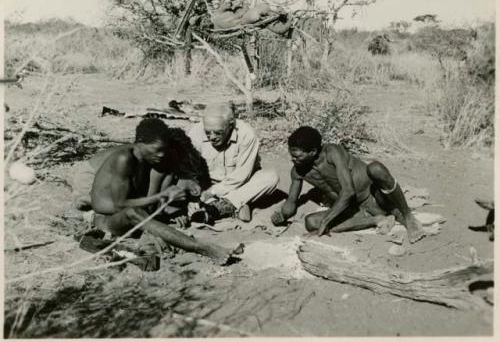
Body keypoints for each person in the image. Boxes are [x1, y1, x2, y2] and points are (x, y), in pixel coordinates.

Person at [85, 118, 240, 265]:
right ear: (140, 143)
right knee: (133, 213)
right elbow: (121, 204)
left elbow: (153, 192)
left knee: (164, 171)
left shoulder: (149, 160)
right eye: (157, 150)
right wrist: (162, 196)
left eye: (163, 150)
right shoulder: (124, 159)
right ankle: (202, 248)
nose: (161, 154)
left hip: (133, 211)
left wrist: (171, 204)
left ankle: (157, 223)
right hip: (107, 217)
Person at [271, 126, 425, 243]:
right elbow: (291, 202)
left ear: (312, 151)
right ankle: (377, 220)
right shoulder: (298, 172)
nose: (293, 159)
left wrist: (327, 220)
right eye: (292, 155)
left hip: (375, 197)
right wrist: (282, 215)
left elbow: (348, 190)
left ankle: (406, 215)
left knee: (376, 168)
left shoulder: (332, 152)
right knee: (310, 222)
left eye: (297, 156)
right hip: (353, 209)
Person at [188, 102, 279, 223]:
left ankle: (217, 208)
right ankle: (238, 203)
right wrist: (194, 195)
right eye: (208, 132)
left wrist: (212, 192)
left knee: (271, 177)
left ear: (230, 125)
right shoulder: (195, 134)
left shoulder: (247, 135)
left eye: (218, 132)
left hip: (240, 184)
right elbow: (188, 170)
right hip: (207, 185)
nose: (212, 137)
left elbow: (241, 176)